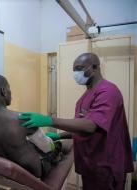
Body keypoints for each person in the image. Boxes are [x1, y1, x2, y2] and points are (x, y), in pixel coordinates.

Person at [19, 53, 134, 190]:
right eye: (74, 70)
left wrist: (49, 120)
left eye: (80, 68)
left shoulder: (108, 91)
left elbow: (90, 125)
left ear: (95, 67)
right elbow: (81, 126)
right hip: (89, 162)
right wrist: (59, 136)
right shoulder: (87, 94)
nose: (76, 74)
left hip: (105, 164)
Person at [0, 74, 70, 178]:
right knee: (61, 146)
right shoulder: (22, 118)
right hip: (34, 171)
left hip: (5, 172)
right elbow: (47, 147)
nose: (11, 93)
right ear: (3, 91)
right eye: (9, 88)